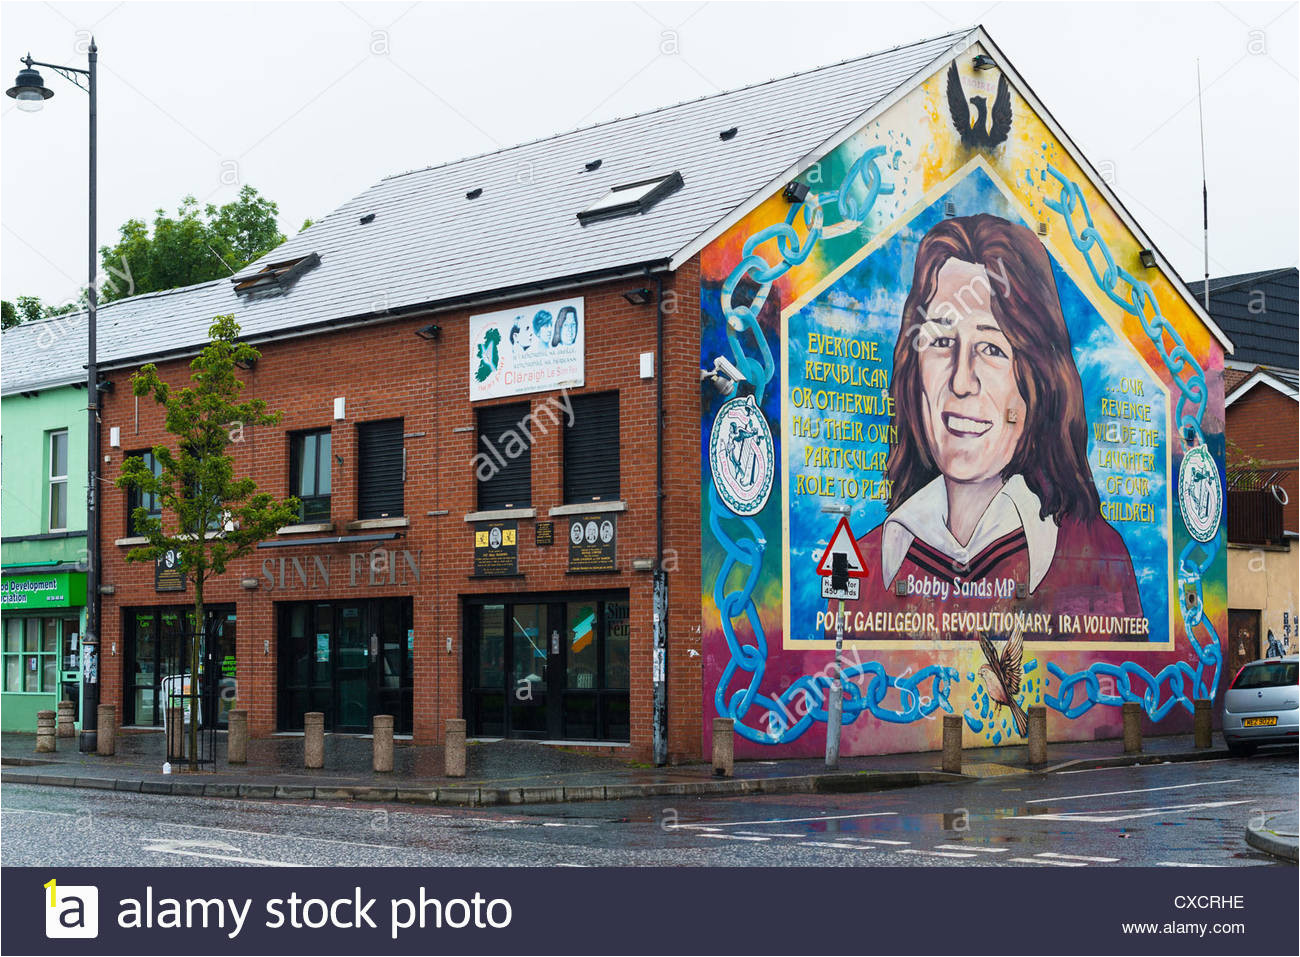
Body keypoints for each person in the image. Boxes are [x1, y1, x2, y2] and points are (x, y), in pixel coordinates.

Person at [841, 214, 1143, 637]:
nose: (962, 381)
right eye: (942, 342)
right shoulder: (872, 560)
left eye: (991, 348)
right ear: (914, 370)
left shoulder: (1094, 556)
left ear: (1038, 380)